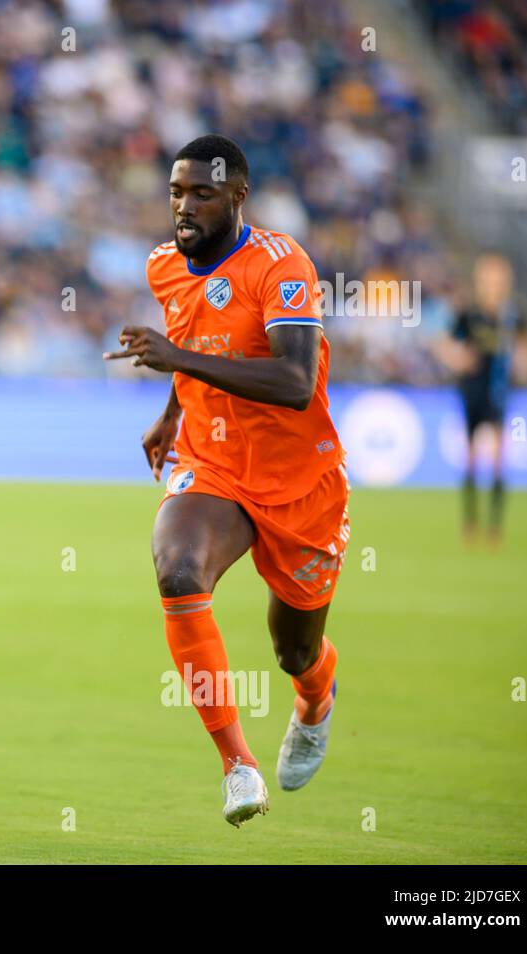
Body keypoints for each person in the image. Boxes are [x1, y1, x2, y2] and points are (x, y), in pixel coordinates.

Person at [105, 135, 348, 827]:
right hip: (211, 463)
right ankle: (238, 765)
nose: (183, 207)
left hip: (300, 480)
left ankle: (314, 700)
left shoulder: (281, 265)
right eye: (176, 192)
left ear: (238, 196)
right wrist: (169, 414)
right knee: (178, 569)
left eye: (201, 194)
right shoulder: (164, 267)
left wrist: (175, 358)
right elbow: (199, 341)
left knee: (294, 649)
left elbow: (296, 382)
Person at [448, 252, 527, 544]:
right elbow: (449, 344)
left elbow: (525, 348)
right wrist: (459, 360)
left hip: (498, 390)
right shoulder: (470, 314)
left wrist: (522, 363)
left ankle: (494, 528)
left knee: (497, 458)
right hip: (472, 389)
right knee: (470, 458)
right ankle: (470, 523)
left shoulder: (513, 315)